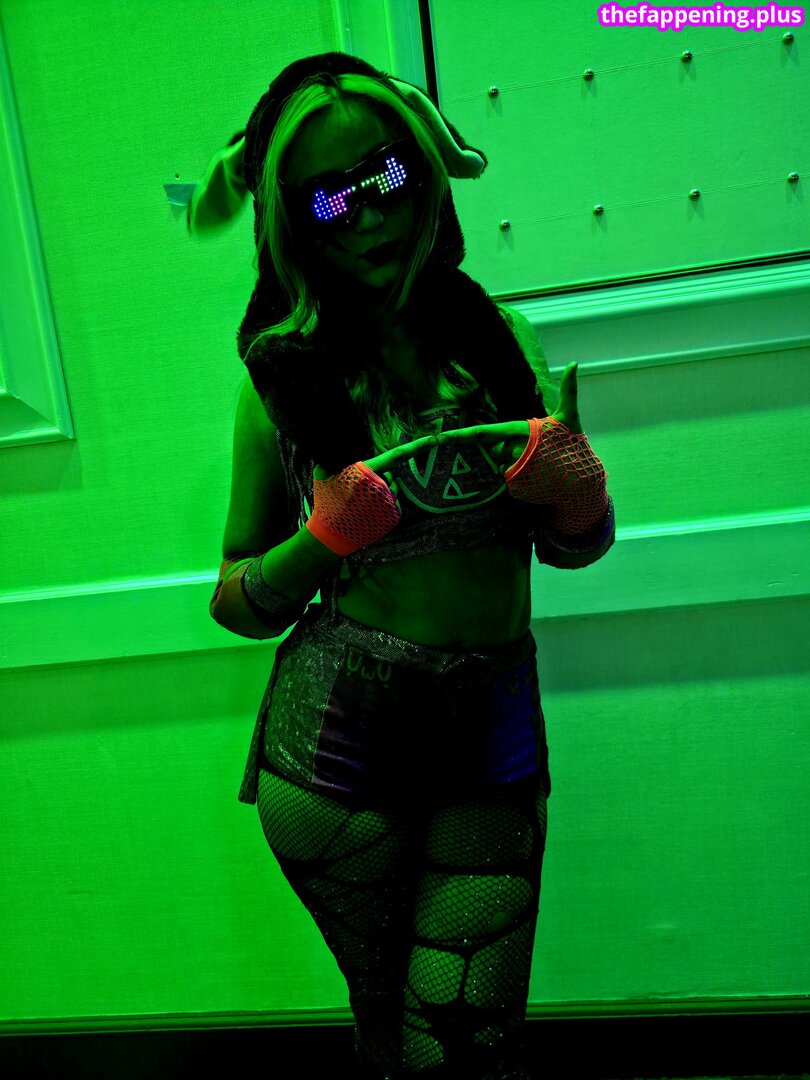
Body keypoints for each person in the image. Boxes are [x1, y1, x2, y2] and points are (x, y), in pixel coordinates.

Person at [193, 53, 615, 1080]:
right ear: (292, 222)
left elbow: (575, 548)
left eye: (386, 175)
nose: (371, 215)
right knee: (392, 1025)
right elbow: (235, 597)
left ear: (424, 171)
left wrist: (577, 496)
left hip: (491, 727)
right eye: (330, 199)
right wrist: (321, 538)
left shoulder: (502, 346)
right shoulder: (279, 384)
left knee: (466, 1037)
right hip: (339, 747)